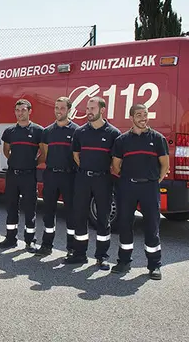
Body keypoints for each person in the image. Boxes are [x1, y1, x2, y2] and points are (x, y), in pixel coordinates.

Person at [110, 103, 168, 280]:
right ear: (131, 118)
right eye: (139, 115)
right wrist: (130, 179)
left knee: (152, 226)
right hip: (127, 187)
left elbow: (165, 165)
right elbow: (116, 165)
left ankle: (154, 266)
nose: (143, 118)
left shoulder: (157, 139)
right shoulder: (122, 141)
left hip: (149, 187)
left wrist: (153, 181)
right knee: (125, 225)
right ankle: (124, 261)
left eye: (145, 114)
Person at [66, 96, 120, 269]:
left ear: (102, 110)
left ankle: (101, 256)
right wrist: (87, 169)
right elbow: (76, 155)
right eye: (87, 109)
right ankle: (80, 254)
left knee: (103, 219)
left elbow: (115, 160)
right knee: (79, 216)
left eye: (92, 109)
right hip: (83, 178)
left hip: (103, 179)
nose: (88, 112)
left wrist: (98, 170)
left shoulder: (113, 133)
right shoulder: (80, 132)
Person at [0, 99, 44, 252]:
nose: (20, 113)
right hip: (12, 175)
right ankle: (11, 239)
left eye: (23, 110)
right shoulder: (10, 132)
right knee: (11, 207)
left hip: (29, 176)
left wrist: (31, 163)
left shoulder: (38, 131)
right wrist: (16, 162)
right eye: (17, 110)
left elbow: (44, 153)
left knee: (30, 209)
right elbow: (6, 151)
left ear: (30, 111)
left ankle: (30, 241)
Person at [35, 97, 78, 257]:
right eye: (56, 107)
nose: (58, 111)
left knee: (71, 213)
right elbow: (45, 154)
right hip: (51, 175)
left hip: (69, 177)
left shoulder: (76, 131)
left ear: (69, 110)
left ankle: (72, 247)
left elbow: (78, 156)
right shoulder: (47, 132)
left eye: (62, 108)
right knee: (48, 212)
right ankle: (46, 245)